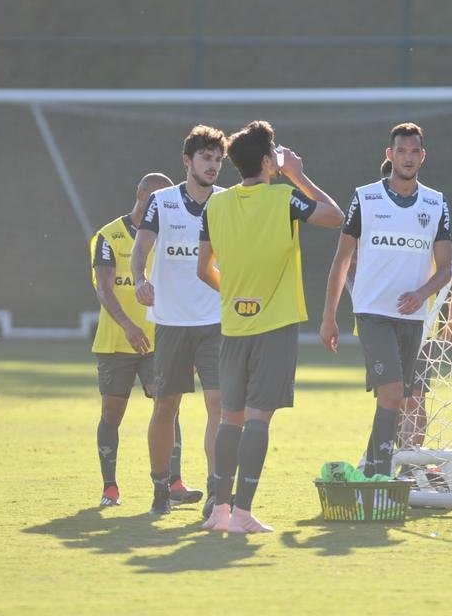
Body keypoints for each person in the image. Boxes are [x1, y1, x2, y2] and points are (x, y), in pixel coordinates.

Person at [197, 121, 343, 533]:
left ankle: (219, 511)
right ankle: (242, 513)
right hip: (274, 326)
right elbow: (336, 217)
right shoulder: (284, 197)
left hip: (232, 326)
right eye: (275, 153)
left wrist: (235, 296)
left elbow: (203, 268)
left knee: (230, 419)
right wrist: (297, 174)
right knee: (258, 418)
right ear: (266, 162)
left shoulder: (215, 205)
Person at [321, 123, 452, 478]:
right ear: (389, 155)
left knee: (403, 399)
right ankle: (379, 477)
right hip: (372, 313)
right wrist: (329, 316)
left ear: (422, 156)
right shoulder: (365, 198)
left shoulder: (436, 203)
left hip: (415, 318)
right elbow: (342, 260)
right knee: (393, 393)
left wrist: (421, 294)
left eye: (414, 152)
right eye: (401, 151)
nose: (408, 158)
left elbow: (445, 269)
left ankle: (373, 469)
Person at [131, 126, 227, 518]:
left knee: (219, 405)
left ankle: (216, 491)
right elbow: (141, 247)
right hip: (171, 321)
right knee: (166, 405)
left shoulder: (227, 202)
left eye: (218, 159)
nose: (213, 165)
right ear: (188, 161)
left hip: (216, 321)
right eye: (206, 158)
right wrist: (140, 279)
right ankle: (161, 487)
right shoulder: (162, 201)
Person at [90, 172, 174, 508]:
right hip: (116, 342)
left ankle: (173, 483)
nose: (160, 205)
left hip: (159, 341)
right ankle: (110, 487)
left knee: (168, 407)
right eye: (155, 198)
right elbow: (103, 288)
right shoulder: (108, 236)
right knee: (112, 413)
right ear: (140, 194)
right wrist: (127, 324)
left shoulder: (169, 236)